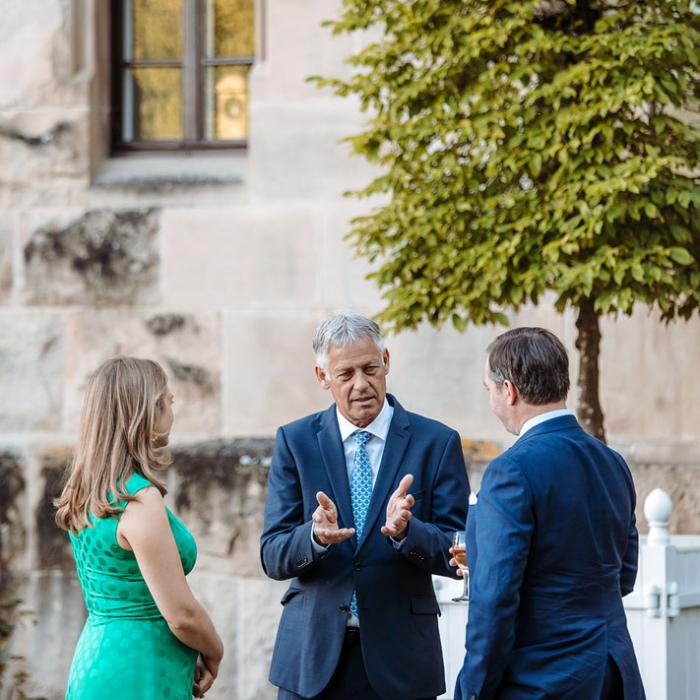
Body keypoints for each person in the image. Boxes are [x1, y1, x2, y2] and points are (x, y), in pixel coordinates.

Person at [260, 314, 470, 700]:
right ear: (323, 377)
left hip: (401, 662)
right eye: (346, 374)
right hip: (312, 663)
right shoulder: (295, 442)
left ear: (386, 360)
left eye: (370, 368)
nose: (361, 384)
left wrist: (409, 533)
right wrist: (314, 537)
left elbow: (461, 555)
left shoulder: (436, 442)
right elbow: (272, 555)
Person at [454, 327, 645, 700]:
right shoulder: (612, 463)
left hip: (541, 678)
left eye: (489, 389)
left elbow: (494, 601)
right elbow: (625, 574)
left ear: (508, 390)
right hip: (613, 673)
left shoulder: (510, 471)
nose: (492, 401)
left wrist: (473, 690)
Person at [55, 357, 224, 700]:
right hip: (138, 668)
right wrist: (214, 651)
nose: (172, 413)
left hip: (97, 657)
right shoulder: (136, 499)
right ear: (147, 411)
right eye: (169, 402)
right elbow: (181, 614)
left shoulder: (83, 491)